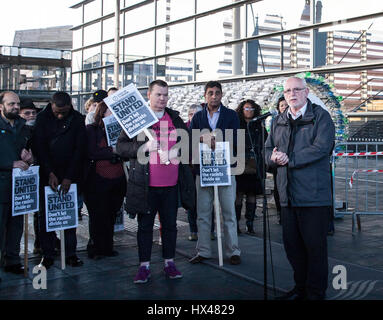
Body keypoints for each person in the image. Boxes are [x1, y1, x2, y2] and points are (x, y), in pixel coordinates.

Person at [116, 80, 194, 284]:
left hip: (171, 185)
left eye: (165, 95)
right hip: (146, 186)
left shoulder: (174, 118)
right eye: (158, 94)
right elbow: (121, 148)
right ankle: (144, 266)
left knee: (170, 226)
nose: (162, 99)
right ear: (148, 95)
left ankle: (169, 262)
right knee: (145, 227)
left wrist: (177, 149)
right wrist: (145, 148)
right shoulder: (138, 119)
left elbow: (188, 143)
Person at [265, 76, 335, 300]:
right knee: (292, 248)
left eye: (297, 90)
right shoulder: (278, 120)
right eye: (288, 91)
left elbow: (321, 148)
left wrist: (289, 158)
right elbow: (267, 151)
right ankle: (300, 288)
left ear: (306, 92)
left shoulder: (321, 117)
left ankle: (315, 294)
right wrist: (273, 157)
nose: (292, 94)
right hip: (287, 197)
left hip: (313, 197)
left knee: (315, 250)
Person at [189, 80, 241, 266]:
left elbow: (237, 137)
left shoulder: (231, 115)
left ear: (221, 95)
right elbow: (188, 141)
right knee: (203, 213)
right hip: (203, 171)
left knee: (229, 212)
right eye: (210, 92)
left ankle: (233, 250)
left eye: (217, 92)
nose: (214, 96)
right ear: (205, 95)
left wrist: (216, 138)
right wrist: (200, 138)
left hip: (226, 170)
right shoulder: (197, 117)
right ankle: (203, 251)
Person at [33, 91, 87, 269]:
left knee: (69, 216)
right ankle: (47, 253)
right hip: (47, 172)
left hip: (70, 172)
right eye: (57, 112)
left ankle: (70, 253)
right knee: (46, 216)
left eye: (64, 111)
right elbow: (39, 148)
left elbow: (80, 150)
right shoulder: (41, 119)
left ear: (70, 106)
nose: (61, 115)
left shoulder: (78, 119)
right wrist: (49, 173)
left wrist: (69, 177)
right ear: (51, 105)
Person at [84, 101, 126, 259]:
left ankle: (107, 247)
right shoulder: (91, 130)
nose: (115, 116)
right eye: (111, 113)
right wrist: (113, 151)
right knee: (97, 216)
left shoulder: (122, 131)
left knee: (111, 215)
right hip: (97, 181)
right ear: (102, 113)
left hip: (117, 179)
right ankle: (95, 248)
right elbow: (92, 152)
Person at [0, 91, 33, 275]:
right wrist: (10, 164)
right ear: (1, 106)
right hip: (1, 186)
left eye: (17, 103)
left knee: (16, 227)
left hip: (18, 189)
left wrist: (29, 157)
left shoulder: (24, 127)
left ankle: (12, 260)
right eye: (11, 104)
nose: (16, 107)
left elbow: (27, 152)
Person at [234, 99, 267, 235]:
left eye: (251, 109)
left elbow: (266, 141)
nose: (249, 111)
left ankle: (250, 223)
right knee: (238, 195)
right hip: (239, 164)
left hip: (255, 164)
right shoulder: (236, 125)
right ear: (242, 110)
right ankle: (235, 223)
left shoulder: (259, 125)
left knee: (252, 194)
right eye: (246, 108)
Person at [272, 96, 288, 224]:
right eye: (282, 105)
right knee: (278, 188)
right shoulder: (275, 122)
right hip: (278, 163)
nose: (284, 107)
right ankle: (280, 213)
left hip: (290, 161)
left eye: (286, 104)